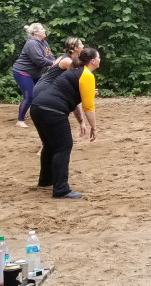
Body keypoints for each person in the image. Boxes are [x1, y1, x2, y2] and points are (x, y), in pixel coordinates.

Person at [30, 48, 101, 199]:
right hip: (52, 110)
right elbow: (89, 107)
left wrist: (82, 121)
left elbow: (73, 93)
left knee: (50, 146)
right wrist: (94, 127)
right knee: (64, 146)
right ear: (93, 61)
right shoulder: (87, 75)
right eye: (99, 58)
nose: (100, 60)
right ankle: (61, 189)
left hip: (37, 107)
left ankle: (45, 180)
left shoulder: (76, 70)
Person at [33, 37, 87, 155]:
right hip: (45, 89)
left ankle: (46, 145)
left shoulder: (64, 57)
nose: (83, 46)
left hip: (41, 87)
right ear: (76, 48)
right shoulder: (68, 62)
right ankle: (45, 147)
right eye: (81, 44)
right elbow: (81, 77)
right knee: (55, 114)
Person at [12, 23, 55, 128]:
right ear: (35, 32)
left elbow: (50, 56)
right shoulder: (31, 43)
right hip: (22, 73)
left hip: (36, 74)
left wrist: (55, 63)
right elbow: (39, 60)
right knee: (29, 96)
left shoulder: (44, 43)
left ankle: (40, 116)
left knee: (41, 94)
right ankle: (20, 120)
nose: (45, 30)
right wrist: (53, 64)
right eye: (42, 29)